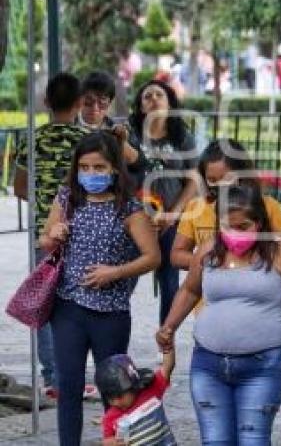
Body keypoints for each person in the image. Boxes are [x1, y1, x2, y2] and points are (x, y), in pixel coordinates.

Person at [156, 182, 281, 444]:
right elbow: (190, 291)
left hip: (262, 366)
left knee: (253, 439)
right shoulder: (208, 251)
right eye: (228, 226)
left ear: (259, 224)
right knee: (214, 440)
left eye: (243, 227)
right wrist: (168, 326)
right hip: (208, 363)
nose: (234, 234)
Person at [40, 132, 160, 446]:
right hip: (68, 307)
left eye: (99, 167)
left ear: (115, 170)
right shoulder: (67, 198)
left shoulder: (129, 209)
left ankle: (114, 441)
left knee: (116, 390)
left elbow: (152, 256)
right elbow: (44, 240)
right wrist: (54, 233)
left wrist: (116, 272)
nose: (91, 174)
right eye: (85, 167)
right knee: (68, 385)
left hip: (111, 312)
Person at [13, 73, 89, 400]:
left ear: (46, 103)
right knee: (78, 303)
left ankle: (52, 378)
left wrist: (46, 204)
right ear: (79, 104)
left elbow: (18, 187)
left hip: (43, 235)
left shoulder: (31, 139)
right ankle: (74, 375)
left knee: (44, 301)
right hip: (82, 234)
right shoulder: (88, 140)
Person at [129, 80, 198, 326]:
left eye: (160, 95)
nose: (154, 99)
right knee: (126, 277)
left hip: (171, 220)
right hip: (136, 219)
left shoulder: (182, 137)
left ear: (170, 104)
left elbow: (194, 180)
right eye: (147, 96)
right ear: (140, 106)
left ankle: (165, 337)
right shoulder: (131, 137)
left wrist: (173, 214)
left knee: (170, 281)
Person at [171, 139, 281, 270]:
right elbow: (177, 255)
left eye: (227, 178)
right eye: (212, 180)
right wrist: (214, 262)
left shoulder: (269, 206)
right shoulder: (195, 207)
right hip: (212, 286)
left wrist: (247, 263)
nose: (219, 185)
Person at [97, 350, 176, 446]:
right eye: (110, 398)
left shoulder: (151, 391)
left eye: (119, 396)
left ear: (134, 386)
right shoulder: (110, 418)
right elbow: (107, 439)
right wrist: (111, 443)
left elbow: (167, 367)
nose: (116, 402)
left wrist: (168, 347)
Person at [77, 71, 144, 183]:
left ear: (110, 103)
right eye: (88, 101)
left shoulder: (118, 129)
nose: (95, 107)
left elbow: (139, 165)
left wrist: (121, 143)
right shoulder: (69, 127)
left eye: (102, 102)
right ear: (79, 100)